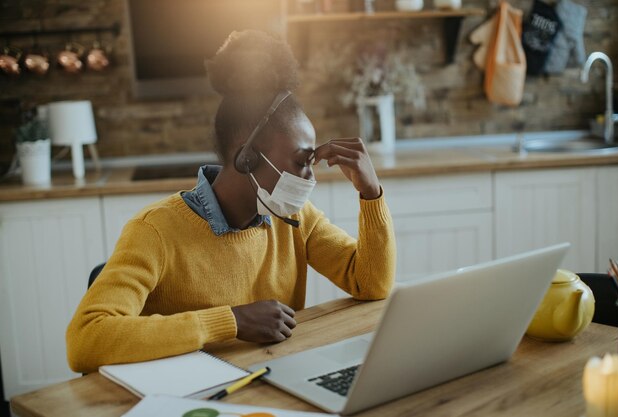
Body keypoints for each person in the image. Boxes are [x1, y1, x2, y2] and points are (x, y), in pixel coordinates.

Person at [66, 30, 396, 374]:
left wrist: (370, 192)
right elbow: (86, 340)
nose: (309, 177)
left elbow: (371, 283)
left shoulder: (295, 219)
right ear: (247, 157)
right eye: (300, 161)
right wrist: (231, 321)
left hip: (270, 380)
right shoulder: (154, 231)